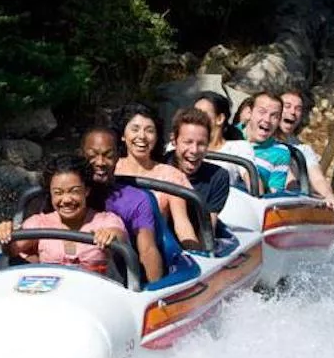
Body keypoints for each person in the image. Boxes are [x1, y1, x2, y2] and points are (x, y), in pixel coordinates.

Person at [0, 155, 126, 274]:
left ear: (86, 191)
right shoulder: (39, 223)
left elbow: (118, 234)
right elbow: (12, 250)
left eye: (74, 191)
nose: (66, 200)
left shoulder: (105, 220)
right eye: (58, 193)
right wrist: (5, 234)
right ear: (50, 194)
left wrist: (110, 235)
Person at [80, 126, 164, 282]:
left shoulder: (135, 199)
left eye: (108, 155)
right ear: (81, 155)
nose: (100, 162)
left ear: (118, 156)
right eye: (92, 155)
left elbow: (147, 250)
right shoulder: (66, 197)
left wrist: (154, 291)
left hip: (115, 279)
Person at [112, 103, 200, 249]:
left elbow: (182, 224)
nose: (142, 136)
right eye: (135, 129)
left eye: (149, 131)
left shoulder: (170, 175)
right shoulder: (110, 169)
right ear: (122, 135)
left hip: (153, 248)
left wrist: (195, 254)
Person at [167, 108, 230, 230]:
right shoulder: (159, 166)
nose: (194, 150)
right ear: (174, 141)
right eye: (188, 142)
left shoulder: (218, 176)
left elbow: (207, 229)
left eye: (201, 144)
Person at [278, 88, 334, 209]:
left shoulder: (304, 149)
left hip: (290, 203)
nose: (293, 112)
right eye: (287, 106)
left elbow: (317, 179)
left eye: (298, 109)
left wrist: (328, 195)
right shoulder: (260, 140)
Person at [193, 91, 255, 190]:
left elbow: (252, 182)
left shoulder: (239, 148)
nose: (195, 119)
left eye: (202, 114)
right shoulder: (180, 146)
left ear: (220, 119)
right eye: (193, 113)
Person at [243, 91, 290, 194]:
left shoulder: (281, 153)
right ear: (249, 113)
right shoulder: (230, 135)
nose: (267, 120)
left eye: (274, 116)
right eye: (262, 112)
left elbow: (273, 194)